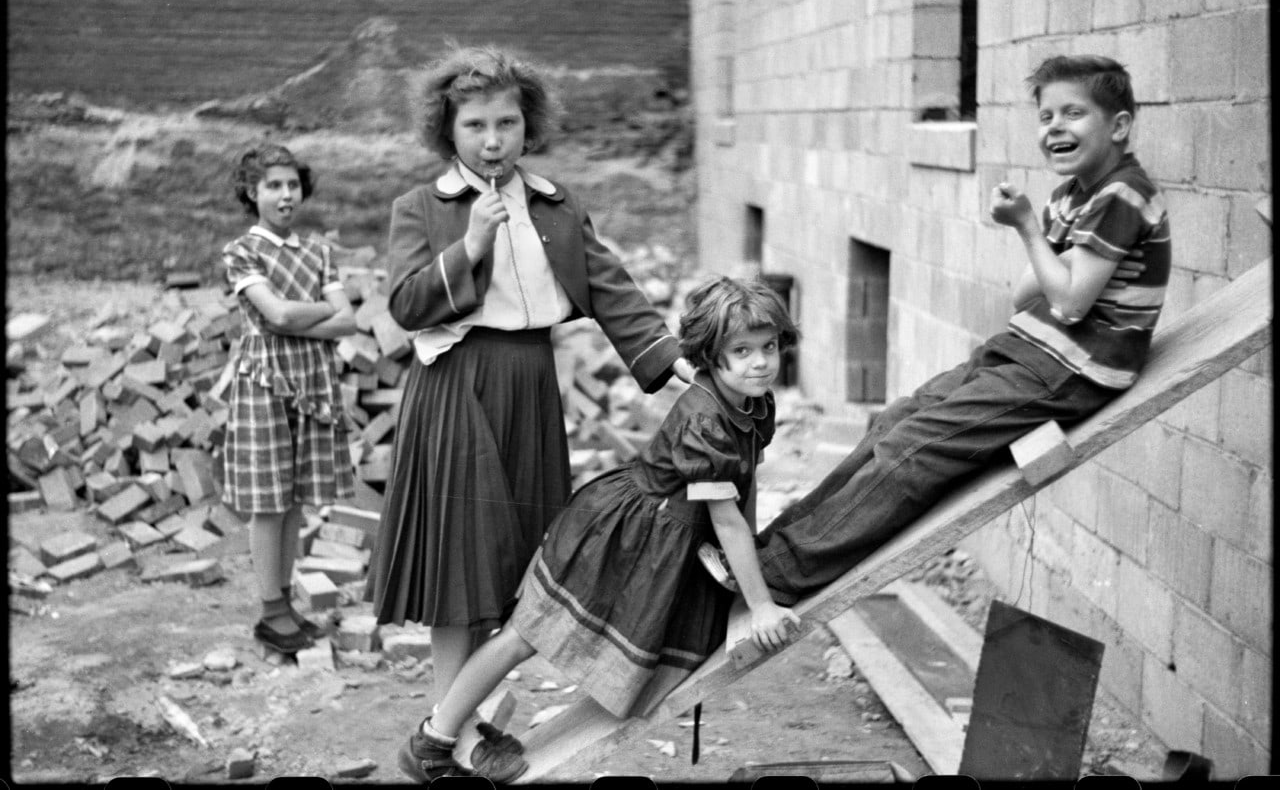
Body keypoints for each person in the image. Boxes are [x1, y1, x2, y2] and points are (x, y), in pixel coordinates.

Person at [700, 54, 1172, 601]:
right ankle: (763, 554)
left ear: (1118, 126)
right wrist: (1045, 231)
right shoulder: (1074, 195)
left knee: (913, 450)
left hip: (1075, 369)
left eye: (1074, 114)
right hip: (1034, 350)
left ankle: (781, 574)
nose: (1056, 128)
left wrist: (1026, 228)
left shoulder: (1123, 193)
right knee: (895, 421)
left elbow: (1066, 303)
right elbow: (1023, 294)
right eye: (1046, 117)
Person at [364, 44, 696, 750]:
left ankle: (462, 722)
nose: (493, 141)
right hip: (457, 388)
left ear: (528, 125)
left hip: (530, 387)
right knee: (461, 563)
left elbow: (608, 285)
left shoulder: (554, 203)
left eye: (507, 124)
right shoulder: (420, 208)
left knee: (514, 563)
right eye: (475, 126)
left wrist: (668, 361)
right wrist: (470, 248)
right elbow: (405, 304)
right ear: (446, 132)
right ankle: (449, 732)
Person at [396, 276, 803, 782]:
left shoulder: (755, 404)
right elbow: (725, 518)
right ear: (708, 355)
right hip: (618, 531)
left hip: (663, 537)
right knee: (528, 634)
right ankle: (433, 739)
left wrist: (751, 569)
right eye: (741, 351)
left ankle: (447, 729)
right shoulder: (706, 422)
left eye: (768, 347)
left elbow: (744, 488)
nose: (760, 362)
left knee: (549, 636)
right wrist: (760, 603)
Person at [220, 144, 357, 653]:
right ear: (252, 193)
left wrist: (305, 315)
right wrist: (321, 310)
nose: (284, 195)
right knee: (268, 502)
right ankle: (270, 612)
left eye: (292, 185)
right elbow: (273, 316)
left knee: (296, 497)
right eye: (272, 186)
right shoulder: (243, 252)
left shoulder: (318, 252)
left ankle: (285, 607)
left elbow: (350, 321)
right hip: (265, 383)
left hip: (313, 383)